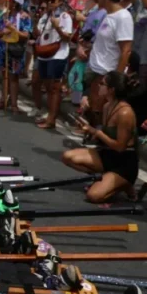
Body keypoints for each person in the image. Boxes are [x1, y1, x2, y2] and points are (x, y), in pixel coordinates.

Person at [61, 71, 139, 202]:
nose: (99, 86)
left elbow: (120, 147)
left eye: (102, 84)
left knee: (93, 196)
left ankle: (125, 185)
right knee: (67, 157)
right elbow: (103, 135)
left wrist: (96, 132)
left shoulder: (125, 113)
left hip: (123, 162)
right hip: (107, 154)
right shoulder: (107, 106)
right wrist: (88, 129)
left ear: (111, 90)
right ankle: (105, 178)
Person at [83, 0, 134, 118]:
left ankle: (99, 136)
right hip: (96, 70)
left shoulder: (123, 17)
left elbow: (126, 50)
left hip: (107, 73)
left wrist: (115, 79)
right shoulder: (108, 15)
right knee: (93, 106)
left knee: (101, 110)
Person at [34, 0, 73, 129]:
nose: (50, 3)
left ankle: (51, 119)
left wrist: (57, 27)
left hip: (58, 55)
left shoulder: (65, 17)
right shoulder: (45, 16)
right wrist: (35, 19)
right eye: (49, 1)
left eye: (53, 1)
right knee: (47, 87)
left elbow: (68, 38)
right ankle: (49, 116)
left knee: (54, 88)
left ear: (60, 2)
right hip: (44, 54)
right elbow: (37, 33)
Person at [0, 0, 32, 113]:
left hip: (16, 50)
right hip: (3, 49)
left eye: (11, 1)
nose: (8, 3)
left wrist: (13, 29)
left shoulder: (24, 17)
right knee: (4, 75)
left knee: (14, 77)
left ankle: (14, 104)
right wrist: (3, 32)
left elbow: (25, 35)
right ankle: (3, 100)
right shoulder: (5, 16)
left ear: (16, 3)